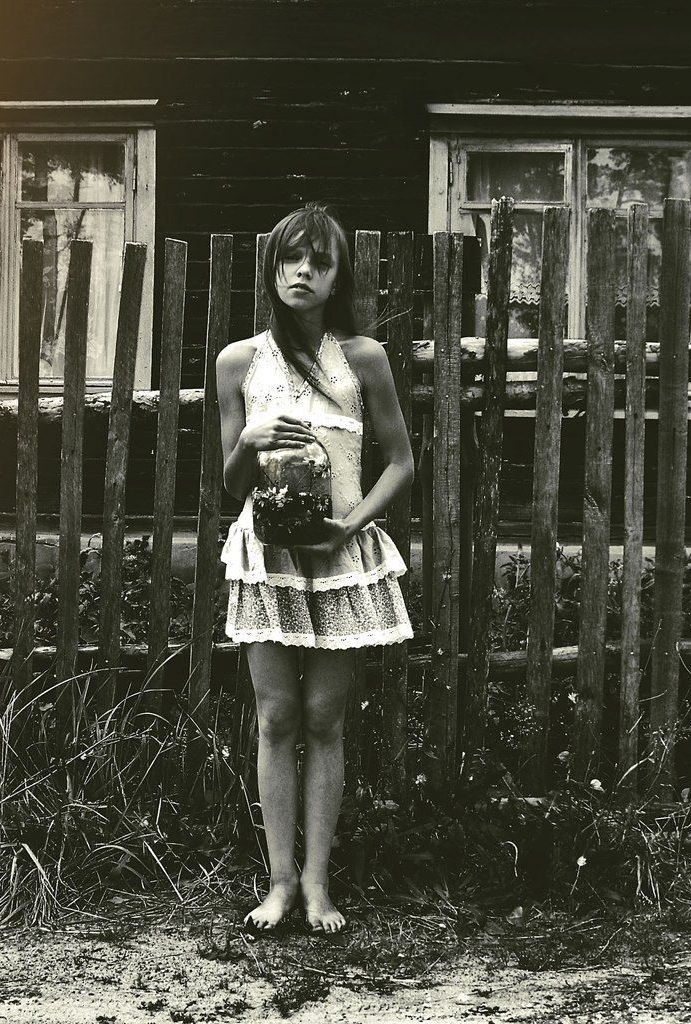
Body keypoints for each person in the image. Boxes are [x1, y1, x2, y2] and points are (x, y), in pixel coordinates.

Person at [216, 201, 414, 935]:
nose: (303, 272)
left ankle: (319, 884)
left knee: (326, 718)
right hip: (267, 558)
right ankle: (278, 884)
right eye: (290, 259)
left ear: (337, 277)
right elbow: (231, 485)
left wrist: (350, 527)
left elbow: (401, 462)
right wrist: (251, 439)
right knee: (275, 716)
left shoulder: (363, 358)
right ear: (272, 270)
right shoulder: (240, 361)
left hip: (339, 556)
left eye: (319, 261)